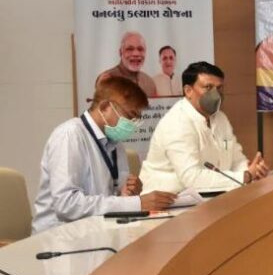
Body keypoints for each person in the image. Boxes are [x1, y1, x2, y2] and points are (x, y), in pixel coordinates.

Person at [32, 78, 176, 234]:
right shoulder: (70, 135)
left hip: (96, 231)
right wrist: (136, 204)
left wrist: (127, 193)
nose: (132, 124)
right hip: (58, 237)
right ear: (105, 107)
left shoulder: (115, 144)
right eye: (130, 116)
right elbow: (67, 205)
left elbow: (109, 199)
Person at [141, 62, 269, 193]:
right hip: (167, 200)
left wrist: (253, 171)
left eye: (219, 88)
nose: (216, 94)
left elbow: (236, 161)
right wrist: (244, 176)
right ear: (188, 91)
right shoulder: (177, 122)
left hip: (210, 196)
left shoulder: (220, 118)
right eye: (208, 87)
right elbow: (192, 178)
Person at [96, 31, 158, 97]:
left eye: (140, 49)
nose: (136, 54)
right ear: (120, 52)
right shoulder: (107, 79)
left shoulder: (149, 83)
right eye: (130, 49)